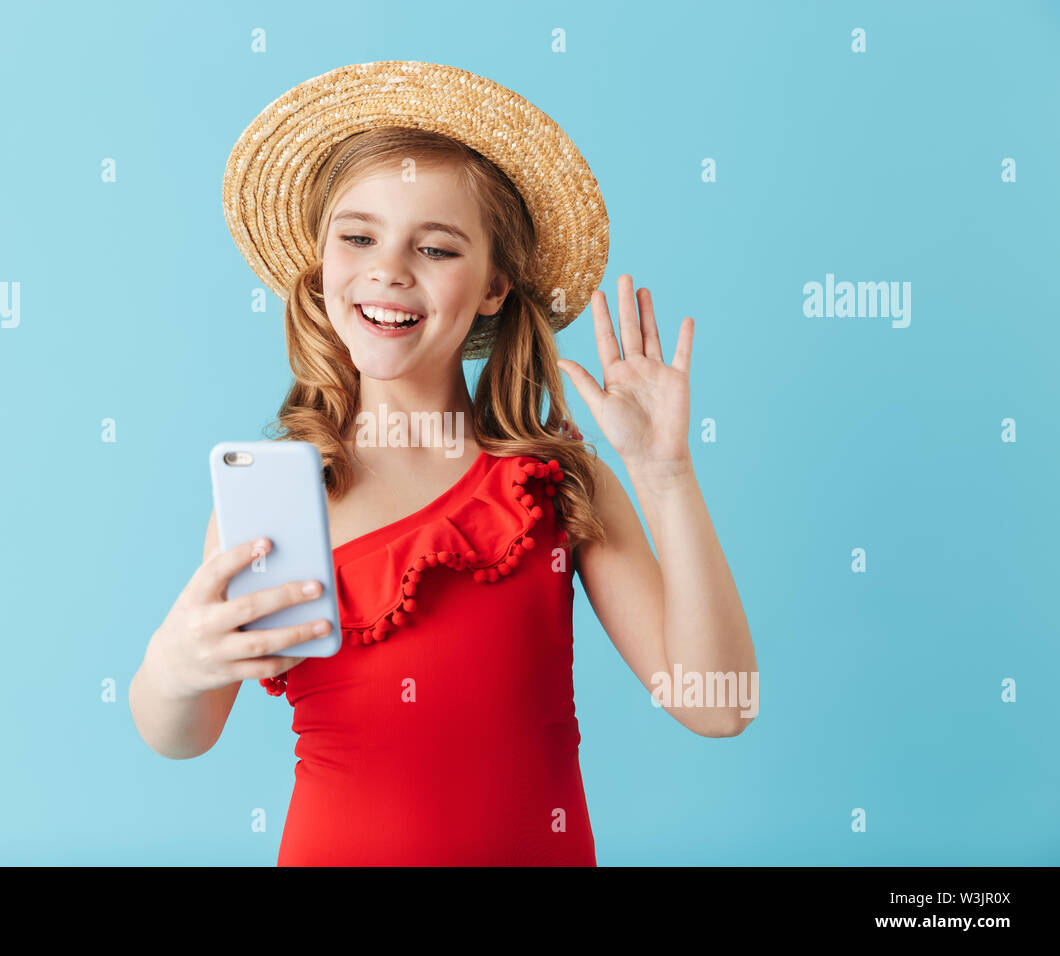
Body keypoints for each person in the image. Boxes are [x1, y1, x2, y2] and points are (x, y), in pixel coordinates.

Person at [130, 61, 757, 866]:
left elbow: (720, 706)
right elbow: (180, 736)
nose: (389, 269)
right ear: (322, 270)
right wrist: (172, 665)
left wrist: (666, 475)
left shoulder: (558, 487)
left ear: (495, 286)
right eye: (358, 237)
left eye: (435, 247)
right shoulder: (280, 497)